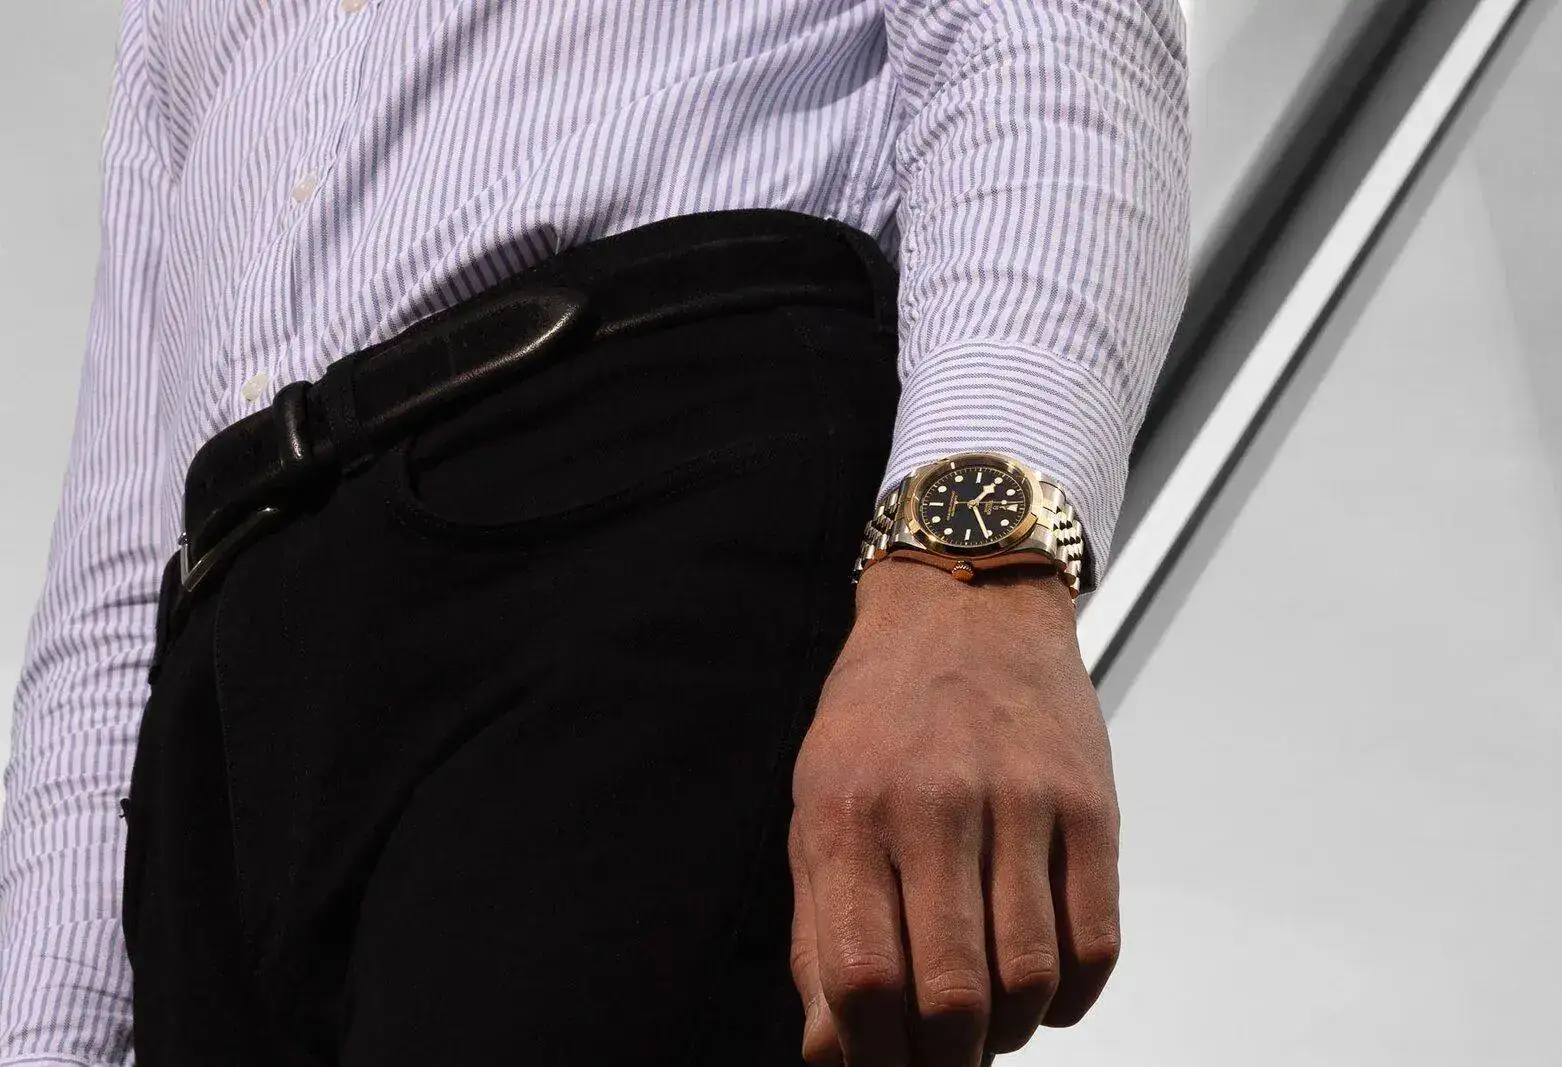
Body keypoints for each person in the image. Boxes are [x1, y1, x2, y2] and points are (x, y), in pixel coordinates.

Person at [0, 1, 1189, 1064]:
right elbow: (119, 531)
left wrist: (970, 577)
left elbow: (1037, 36)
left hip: (636, 498)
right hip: (218, 694)